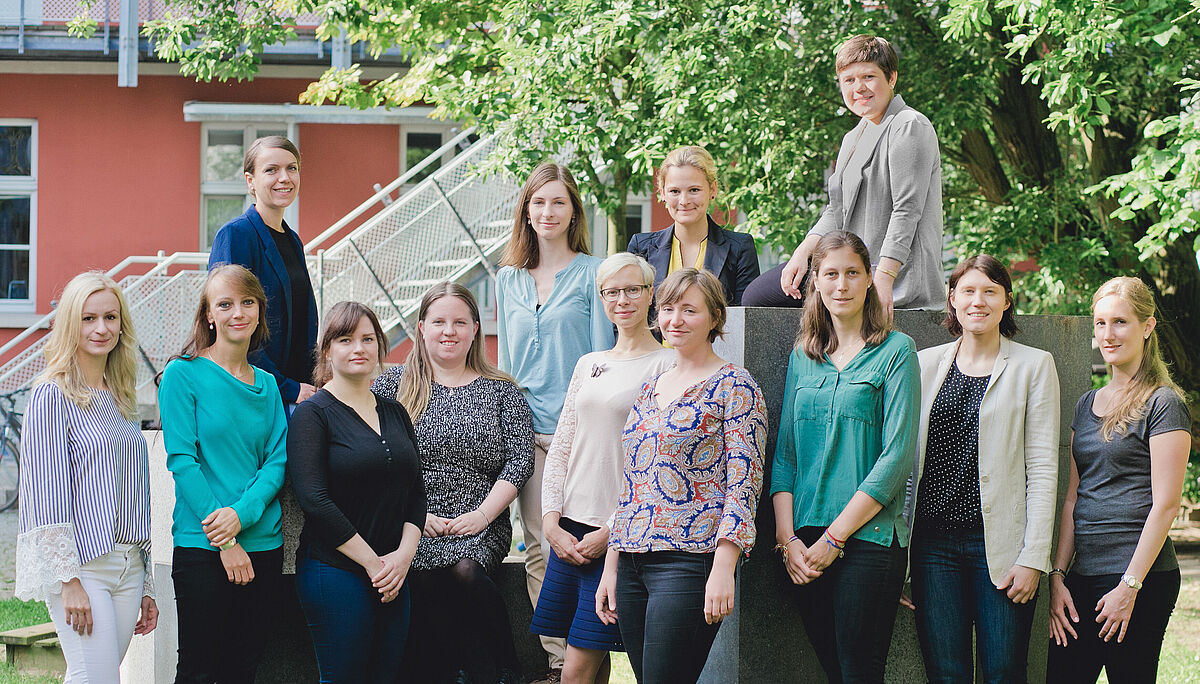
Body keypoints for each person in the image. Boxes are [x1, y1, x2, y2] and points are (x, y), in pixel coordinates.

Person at [596, 268, 767, 684]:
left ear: (714, 318)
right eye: (668, 308)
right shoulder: (651, 386)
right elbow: (631, 483)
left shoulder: (735, 386)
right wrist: (612, 566)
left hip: (690, 560)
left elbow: (744, 482)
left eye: (689, 310)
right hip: (632, 555)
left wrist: (724, 567)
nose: (675, 319)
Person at [769, 230, 920, 683]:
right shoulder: (803, 356)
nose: (841, 285)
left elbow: (895, 460)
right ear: (814, 281)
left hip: (868, 539)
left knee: (859, 672)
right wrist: (787, 540)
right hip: (804, 539)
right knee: (834, 672)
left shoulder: (896, 351)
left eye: (852, 273)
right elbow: (785, 456)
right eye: (830, 274)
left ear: (870, 278)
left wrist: (833, 541)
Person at [909, 255, 1060, 683]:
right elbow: (903, 462)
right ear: (952, 300)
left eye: (990, 291)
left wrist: (1034, 557)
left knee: (1004, 672)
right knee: (945, 673)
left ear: (1007, 301)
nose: (979, 301)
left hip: (1002, 548)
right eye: (969, 291)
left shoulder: (1034, 366)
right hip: (933, 546)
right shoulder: (923, 365)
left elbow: (1044, 468)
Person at [372, 283, 533, 683]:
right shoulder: (392, 388)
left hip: (480, 518)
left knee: (463, 569)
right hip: (413, 519)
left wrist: (480, 517)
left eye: (460, 322)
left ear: (475, 329)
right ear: (421, 328)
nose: (449, 331)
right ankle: (451, 670)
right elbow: (375, 458)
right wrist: (416, 514)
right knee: (421, 573)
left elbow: (519, 460)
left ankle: (506, 667)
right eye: (439, 321)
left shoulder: (502, 390)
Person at [496, 161, 615, 679]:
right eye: (538, 202)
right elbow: (506, 358)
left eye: (558, 202)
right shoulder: (507, 278)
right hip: (526, 431)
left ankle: (590, 660)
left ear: (573, 213)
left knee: (585, 542)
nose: (547, 211)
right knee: (541, 547)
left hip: (581, 431)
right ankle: (559, 661)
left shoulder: (594, 273)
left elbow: (601, 355)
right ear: (527, 210)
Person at [532, 253, 674, 684]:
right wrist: (550, 520)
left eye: (632, 289)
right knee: (591, 664)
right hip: (568, 529)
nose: (622, 300)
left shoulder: (666, 365)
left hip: (615, 535)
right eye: (611, 292)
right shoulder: (589, 362)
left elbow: (654, 464)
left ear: (651, 294)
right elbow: (562, 446)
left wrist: (611, 532)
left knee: (575, 669)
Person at [1046, 276, 1191, 683]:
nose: (1108, 335)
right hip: (1082, 579)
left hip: (1139, 577)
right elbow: (1074, 499)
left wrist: (1130, 586)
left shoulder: (1164, 403)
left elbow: (1166, 504)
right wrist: (1058, 577)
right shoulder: (1086, 404)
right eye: (1100, 323)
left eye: (1120, 322)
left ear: (1147, 327)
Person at [14, 271, 157, 684]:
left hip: (129, 566)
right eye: (88, 318)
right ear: (69, 324)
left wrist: (146, 582)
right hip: (83, 568)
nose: (101, 328)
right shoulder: (51, 395)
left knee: (92, 678)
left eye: (110, 317)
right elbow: (45, 493)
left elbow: (135, 493)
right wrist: (68, 580)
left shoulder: (119, 397)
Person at [742, 35, 943, 316]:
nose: (858, 88)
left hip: (896, 278)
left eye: (869, 76)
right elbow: (837, 210)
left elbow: (907, 211)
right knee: (758, 295)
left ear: (892, 78)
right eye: (848, 80)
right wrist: (803, 253)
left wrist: (884, 277)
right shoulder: (854, 137)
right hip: (848, 269)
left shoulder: (909, 125)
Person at [158, 264, 288, 684]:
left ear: (259, 311)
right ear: (209, 315)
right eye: (225, 304)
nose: (238, 312)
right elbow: (182, 461)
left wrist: (243, 515)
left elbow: (277, 462)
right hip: (203, 546)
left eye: (247, 302)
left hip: (264, 545)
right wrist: (226, 537)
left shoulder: (268, 386)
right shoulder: (183, 375)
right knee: (198, 672)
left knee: (242, 672)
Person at [288, 301, 426, 683]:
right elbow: (314, 500)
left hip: (394, 571)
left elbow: (416, 491)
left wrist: (402, 557)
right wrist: (373, 564)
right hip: (336, 572)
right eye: (346, 339)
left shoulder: (395, 411)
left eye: (368, 339)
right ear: (328, 350)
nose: (359, 348)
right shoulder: (312, 415)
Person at [208, 135, 318, 409]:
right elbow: (233, 325)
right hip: (254, 394)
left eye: (292, 168)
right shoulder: (236, 235)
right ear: (250, 181)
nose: (285, 178)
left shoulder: (293, 241)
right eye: (271, 170)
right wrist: (286, 387)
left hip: (295, 393)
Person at [627, 145, 759, 307]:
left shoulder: (739, 248)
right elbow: (628, 315)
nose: (684, 201)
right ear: (662, 193)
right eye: (674, 191)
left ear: (713, 189)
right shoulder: (642, 247)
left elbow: (746, 321)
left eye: (694, 190)